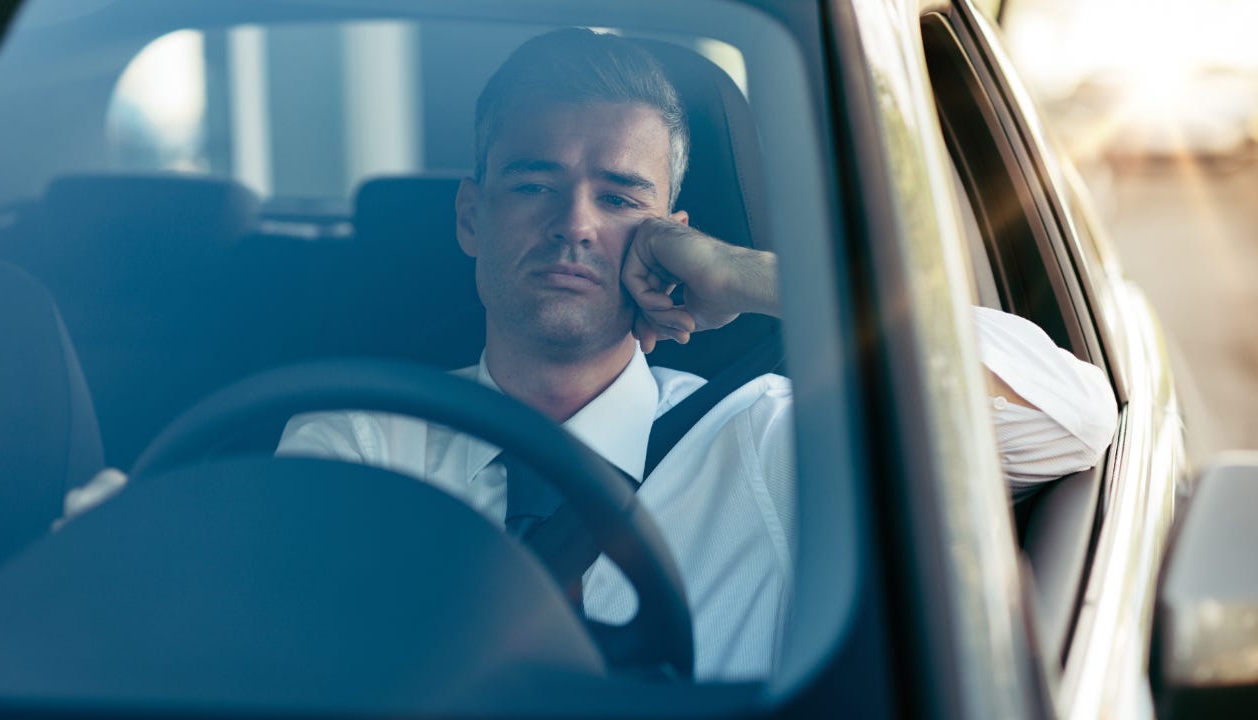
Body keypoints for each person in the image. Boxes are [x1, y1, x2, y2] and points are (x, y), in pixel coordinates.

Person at [275, 28, 1118, 681]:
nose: (574, 222)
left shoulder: (771, 439)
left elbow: (1070, 421)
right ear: (470, 217)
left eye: (618, 196)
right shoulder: (361, 441)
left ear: (671, 234)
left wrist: (749, 275)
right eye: (532, 185)